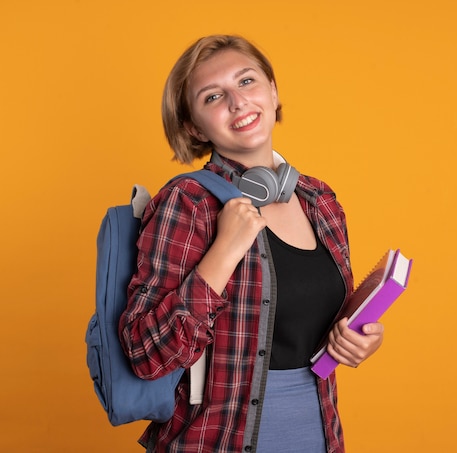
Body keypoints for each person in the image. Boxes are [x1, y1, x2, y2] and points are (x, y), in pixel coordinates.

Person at [119, 34, 384, 453]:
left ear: (273, 91)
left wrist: (358, 339)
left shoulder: (320, 201)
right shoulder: (188, 202)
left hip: (318, 437)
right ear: (192, 126)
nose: (238, 103)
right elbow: (145, 352)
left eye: (246, 82)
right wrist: (223, 252)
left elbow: (323, 326)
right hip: (215, 441)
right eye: (212, 97)